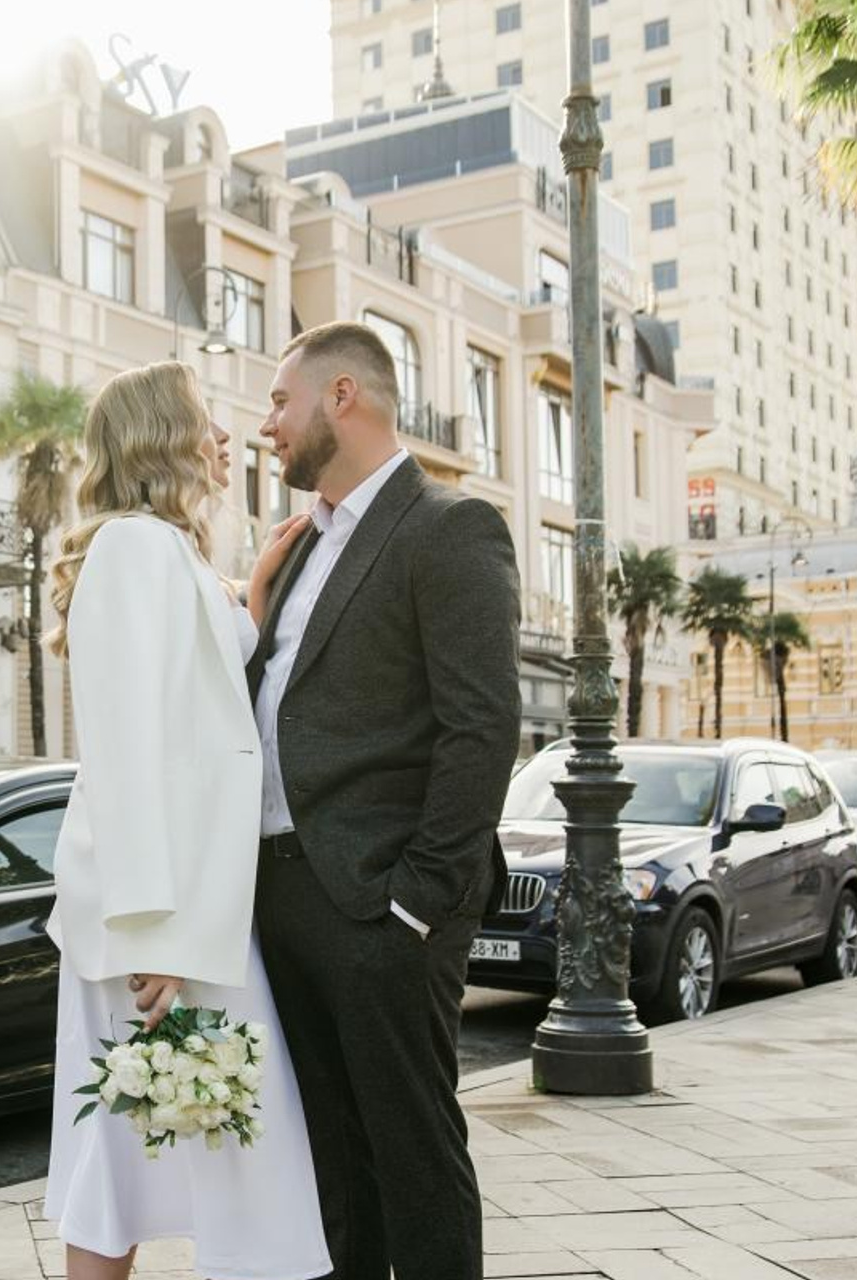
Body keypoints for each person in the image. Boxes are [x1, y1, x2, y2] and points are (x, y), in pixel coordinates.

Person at [43, 361, 330, 1280]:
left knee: (158, 1141)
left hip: (193, 904)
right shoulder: (131, 550)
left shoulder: (171, 553)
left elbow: (206, 699)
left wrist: (248, 594)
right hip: (158, 917)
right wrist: (151, 930)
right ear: (161, 436)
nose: (226, 438)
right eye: (208, 420)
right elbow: (125, 751)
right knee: (199, 1149)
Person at [247, 321, 522, 1280]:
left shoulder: (449, 527)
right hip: (282, 894)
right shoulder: (295, 550)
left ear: (343, 398)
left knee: (410, 1151)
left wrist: (416, 898)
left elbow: (482, 727)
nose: (268, 423)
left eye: (282, 401)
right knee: (331, 1161)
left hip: (381, 905)